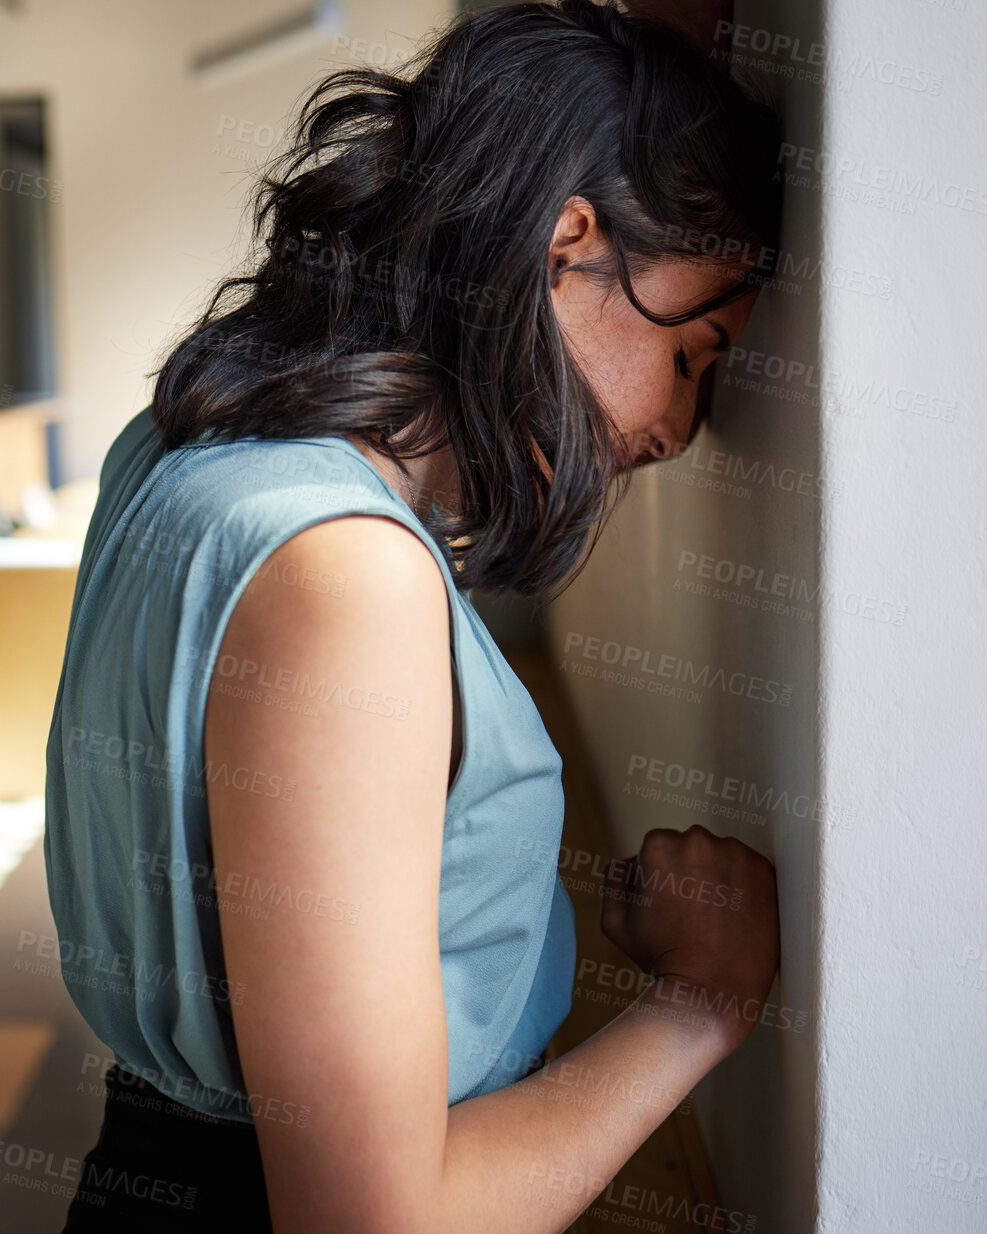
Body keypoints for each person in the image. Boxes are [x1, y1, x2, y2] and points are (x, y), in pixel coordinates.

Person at [44, 1, 783, 1229]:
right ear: (565, 247)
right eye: (690, 351)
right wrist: (697, 1007)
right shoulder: (344, 576)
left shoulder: (184, 452)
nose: (676, 429)